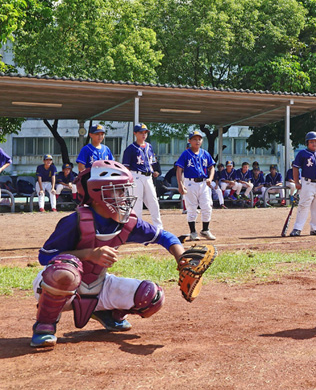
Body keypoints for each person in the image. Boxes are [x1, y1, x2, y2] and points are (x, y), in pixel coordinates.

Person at [30, 160, 187, 348]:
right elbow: (45, 257)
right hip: (58, 286)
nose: (125, 197)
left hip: (99, 283)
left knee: (152, 296)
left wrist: (183, 260)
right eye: (119, 191)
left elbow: (166, 237)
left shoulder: (127, 222)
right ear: (98, 193)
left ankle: (106, 312)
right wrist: (89, 254)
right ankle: (45, 324)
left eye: (125, 190)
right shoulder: (75, 221)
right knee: (65, 271)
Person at [288, 131, 316, 236]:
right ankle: (297, 228)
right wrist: (296, 182)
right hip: (308, 183)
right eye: (311, 141)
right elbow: (295, 167)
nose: (314, 143)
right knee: (304, 205)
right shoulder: (302, 154)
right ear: (307, 143)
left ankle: (315, 228)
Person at [175, 130, 216, 241]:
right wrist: (180, 184)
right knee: (191, 208)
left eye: (199, 139)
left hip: (203, 183)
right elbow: (179, 169)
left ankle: (205, 230)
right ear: (189, 141)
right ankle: (193, 232)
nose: (197, 141)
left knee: (207, 206)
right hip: (190, 182)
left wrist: (210, 178)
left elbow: (212, 167)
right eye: (194, 139)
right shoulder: (186, 154)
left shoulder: (205, 153)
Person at [121, 123, 163, 230]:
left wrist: (156, 170)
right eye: (141, 132)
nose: (144, 134)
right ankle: (137, 229)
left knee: (153, 202)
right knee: (137, 204)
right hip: (136, 176)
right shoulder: (130, 148)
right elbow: (126, 167)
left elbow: (153, 162)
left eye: (145, 132)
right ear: (135, 133)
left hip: (148, 177)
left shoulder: (149, 147)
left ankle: (159, 227)